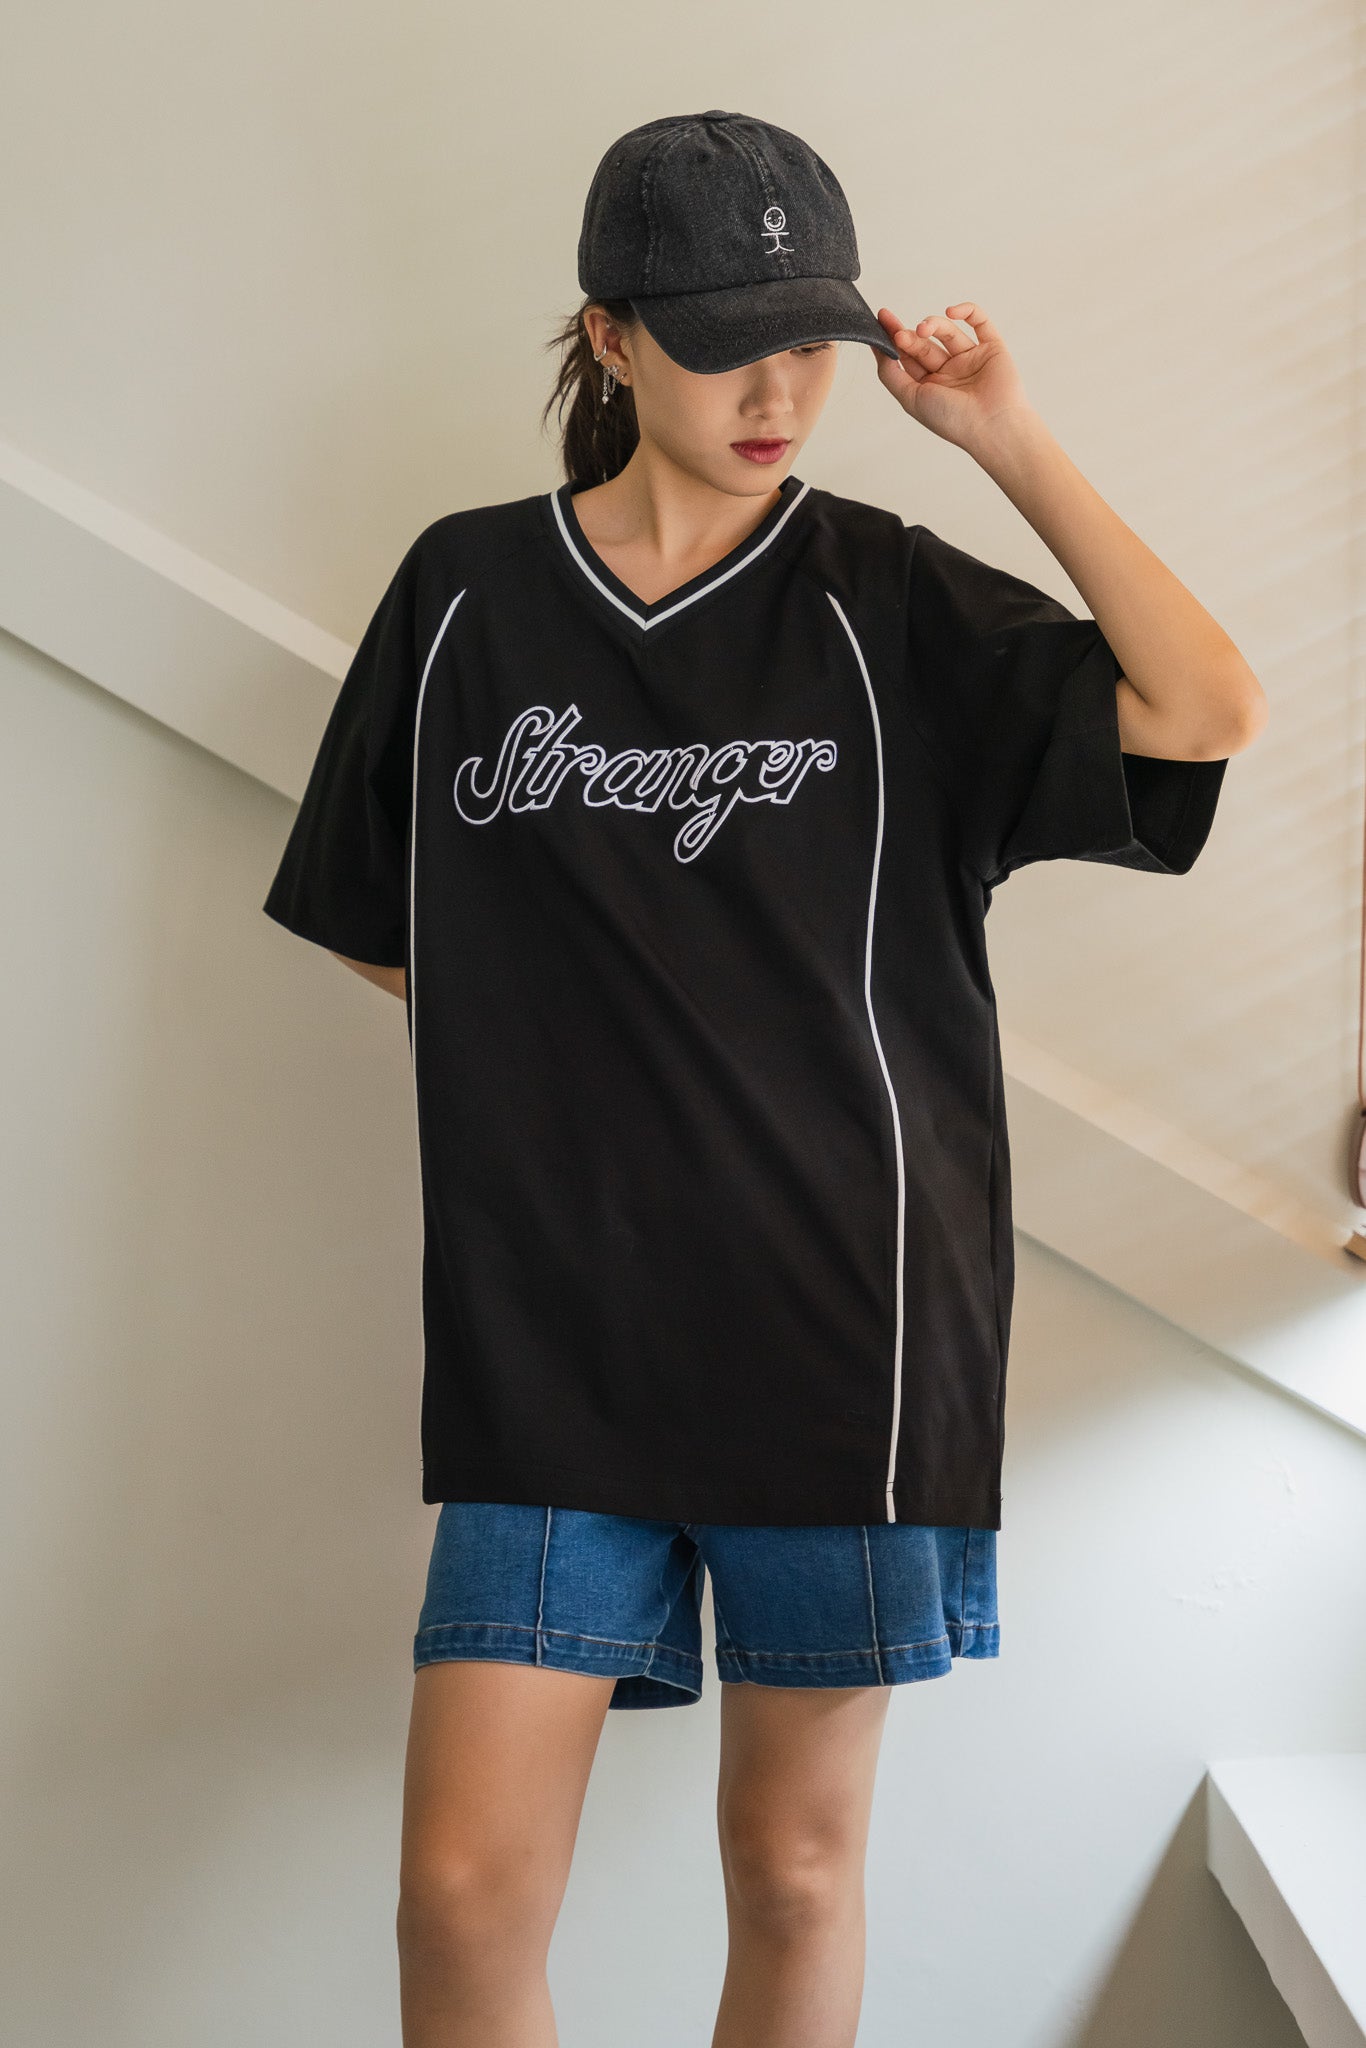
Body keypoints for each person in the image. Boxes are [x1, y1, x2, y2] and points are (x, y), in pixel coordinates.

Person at [262, 109, 1266, 2048]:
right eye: (728, 343)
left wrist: (1001, 441)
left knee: (792, 1868)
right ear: (610, 335)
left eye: (811, 340)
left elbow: (1200, 706)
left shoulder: (889, 598)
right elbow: (389, 923)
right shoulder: (466, 592)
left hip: (845, 1332)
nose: (778, 391)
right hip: (547, 1340)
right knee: (460, 1896)